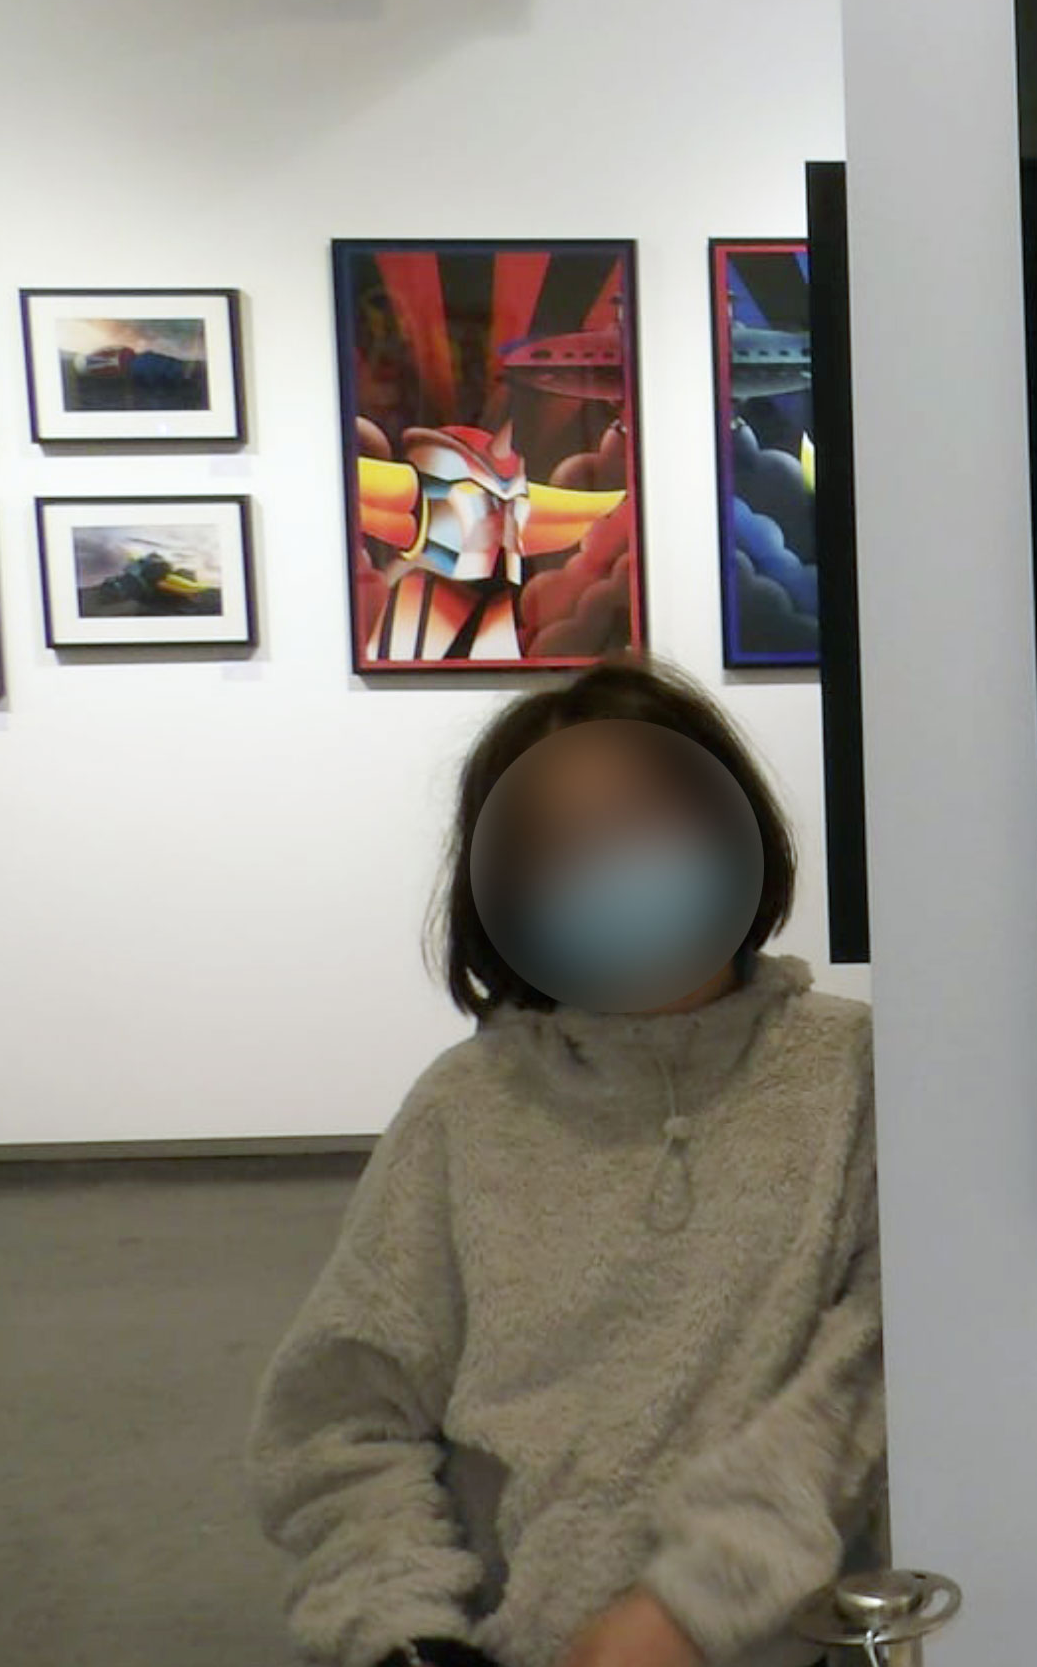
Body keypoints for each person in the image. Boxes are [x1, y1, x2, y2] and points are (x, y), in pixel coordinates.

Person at [249, 660, 882, 1667]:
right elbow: (341, 1422)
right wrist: (404, 1632)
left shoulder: (856, 1076)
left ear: (733, 832)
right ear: (507, 889)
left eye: (640, 822)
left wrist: (693, 1606)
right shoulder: (465, 1109)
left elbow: (873, 1385)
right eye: (562, 845)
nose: (612, 866)